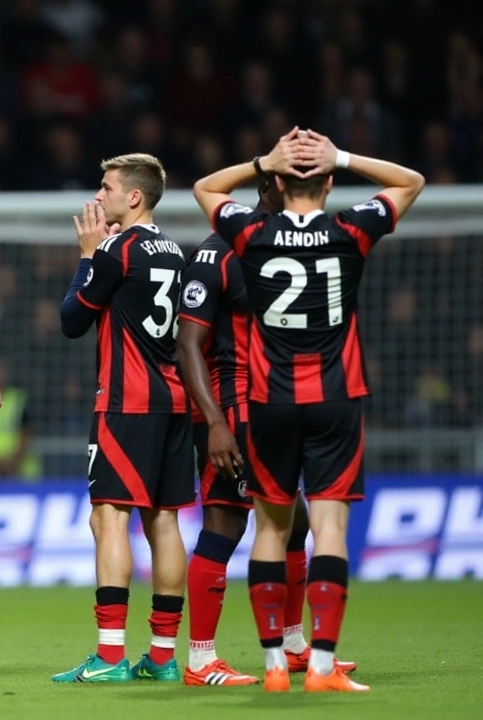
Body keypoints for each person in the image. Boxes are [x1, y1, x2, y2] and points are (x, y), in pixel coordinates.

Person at [193, 128, 424, 692]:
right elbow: (410, 181)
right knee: (326, 527)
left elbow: (203, 187)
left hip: (268, 402)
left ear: (274, 182)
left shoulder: (248, 234)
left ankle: (274, 665)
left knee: (271, 528)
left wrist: (263, 159)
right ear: (328, 184)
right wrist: (340, 156)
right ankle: (320, 664)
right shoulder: (350, 230)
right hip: (335, 399)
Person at [176, 176, 356, 686]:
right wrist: (214, 423)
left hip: (272, 407)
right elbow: (187, 344)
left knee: (294, 524)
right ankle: (200, 658)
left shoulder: (274, 248)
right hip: (231, 410)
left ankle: (295, 646)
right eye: (295, 186)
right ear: (268, 187)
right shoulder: (217, 254)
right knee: (226, 524)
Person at [52, 153, 193, 684]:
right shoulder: (176, 252)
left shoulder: (116, 250)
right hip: (173, 400)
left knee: (108, 516)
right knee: (164, 520)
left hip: (126, 402)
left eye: (107, 187)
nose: (100, 196)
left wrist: (87, 256)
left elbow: (71, 321)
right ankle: (161, 656)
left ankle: (110, 656)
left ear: (134, 197)